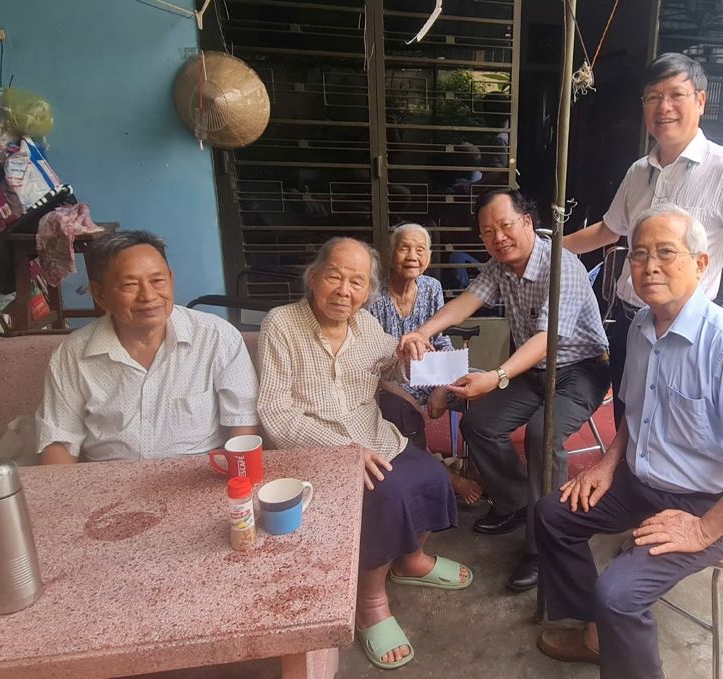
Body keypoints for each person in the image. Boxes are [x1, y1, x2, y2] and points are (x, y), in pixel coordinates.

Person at [534, 205, 723, 679]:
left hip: (709, 502)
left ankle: (618, 638)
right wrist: (608, 463)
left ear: (700, 263)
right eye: (639, 255)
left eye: (666, 253)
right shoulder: (640, 326)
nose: (649, 266)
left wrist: (703, 529)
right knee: (552, 514)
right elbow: (635, 411)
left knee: (619, 593)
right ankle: (597, 634)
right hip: (640, 482)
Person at [256, 237, 471, 671]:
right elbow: (274, 412)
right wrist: (342, 452)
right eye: (334, 276)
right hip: (314, 447)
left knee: (432, 478)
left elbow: (390, 365)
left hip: (373, 436)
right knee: (386, 494)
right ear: (314, 277)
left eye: (357, 282)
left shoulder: (366, 325)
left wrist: (409, 354)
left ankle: (410, 559)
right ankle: (370, 601)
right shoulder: (282, 324)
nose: (344, 290)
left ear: (367, 291)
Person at [399, 188, 610, 592]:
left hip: (580, 370)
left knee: (542, 433)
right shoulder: (499, 267)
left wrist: (496, 376)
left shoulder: (561, 266)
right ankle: (516, 504)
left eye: (505, 225)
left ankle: (545, 544)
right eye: (487, 231)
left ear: (527, 222)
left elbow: (547, 339)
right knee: (480, 422)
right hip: (534, 370)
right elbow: (467, 301)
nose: (498, 237)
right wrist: (423, 331)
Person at [562, 52, 723, 426]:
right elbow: (609, 230)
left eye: (676, 95)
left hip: (686, 331)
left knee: (675, 430)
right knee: (628, 423)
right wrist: (549, 248)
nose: (663, 107)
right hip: (629, 324)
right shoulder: (638, 172)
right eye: (653, 97)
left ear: (701, 100)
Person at [36, 230, 259, 463]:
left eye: (157, 281)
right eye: (130, 285)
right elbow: (59, 440)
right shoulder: (73, 354)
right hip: (110, 477)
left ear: (171, 279)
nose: (148, 296)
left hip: (198, 474)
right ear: (100, 294)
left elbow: (243, 421)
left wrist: (235, 478)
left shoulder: (216, 337)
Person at [368, 221, 483, 504]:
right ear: (390, 254)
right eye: (404, 248)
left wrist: (443, 387)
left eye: (420, 250)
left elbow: (441, 340)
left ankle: (476, 468)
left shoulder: (432, 287)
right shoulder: (372, 296)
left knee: (480, 390)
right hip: (387, 381)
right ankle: (445, 476)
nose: (412, 256)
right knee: (401, 410)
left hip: (431, 373)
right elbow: (368, 360)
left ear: (429, 257)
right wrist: (402, 393)